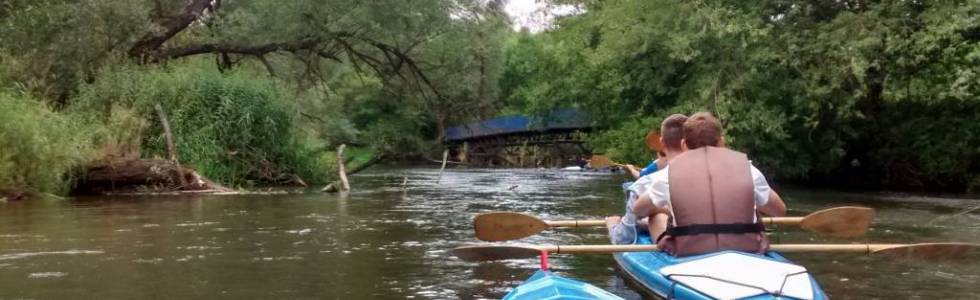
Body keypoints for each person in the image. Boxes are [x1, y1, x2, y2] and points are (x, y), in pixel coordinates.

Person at [631, 112, 787, 257]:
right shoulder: (748, 168)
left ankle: (666, 250)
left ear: (684, 145)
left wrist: (666, 209)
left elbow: (638, 209)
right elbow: (779, 211)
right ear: (722, 142)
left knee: (655, 216)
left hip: (690, 251)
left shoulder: (669, 173)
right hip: (745, 248)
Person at [606, 114, 688, 244]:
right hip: (714, 242)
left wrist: (612, 225)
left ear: (661, 142)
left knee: (653, 217)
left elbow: (623, 238)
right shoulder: (712, 175)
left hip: (682, 245)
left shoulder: (644, 185)